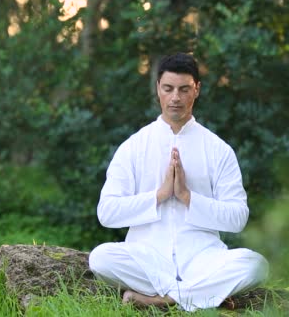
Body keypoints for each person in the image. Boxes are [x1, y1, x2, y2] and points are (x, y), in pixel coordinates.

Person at [89, 53, 269, 311]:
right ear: (158, 89)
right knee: (100, 258)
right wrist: (160, 195)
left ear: (197, 90)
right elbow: (107, 213)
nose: (176, 97)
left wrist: (187, 196)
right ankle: (202, 295)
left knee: (256, 265)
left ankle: (163, 300)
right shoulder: (133, 147)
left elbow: (237, 217)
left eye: (184, 89)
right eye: (168, 88)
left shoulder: (218, 150)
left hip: (203, 258)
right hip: (147, 258)